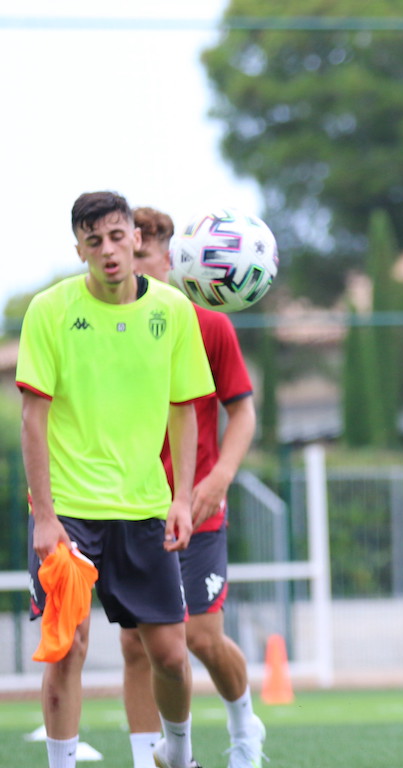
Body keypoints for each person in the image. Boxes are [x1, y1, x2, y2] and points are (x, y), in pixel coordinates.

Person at [18, 191, 214, 768]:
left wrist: (182, 499)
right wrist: (45, 517)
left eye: (116, 237)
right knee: (67, 648)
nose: (107, 250)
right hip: (69, 513)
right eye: (94, 240)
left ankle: (177, 753)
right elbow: (32, 417)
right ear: (79, 248)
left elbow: (184, 409)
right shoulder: (50, 311)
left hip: (144, 508)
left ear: (136, 238)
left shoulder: (173, 311)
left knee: (170, 655)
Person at [120, 207, 266, 768]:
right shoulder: (110, 328)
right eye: (128, 256)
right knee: (136, 645)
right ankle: (148, 760)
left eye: (144, 256)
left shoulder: (208, 325)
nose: (134, 267)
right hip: (129, 506)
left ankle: (244, 727)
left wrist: (219, 476)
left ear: (172, 260)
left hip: (197, 506)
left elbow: (243, 412)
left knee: (201, 637)